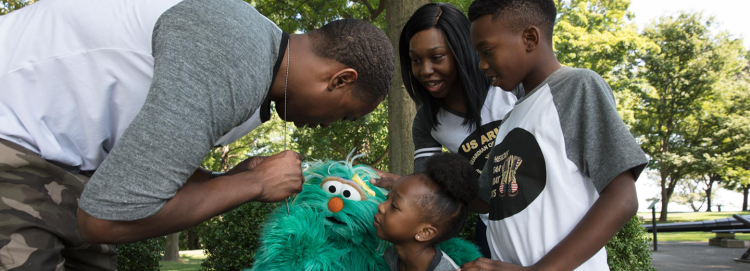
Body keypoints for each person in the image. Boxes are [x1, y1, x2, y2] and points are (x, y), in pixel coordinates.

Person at [0, 0, 394, 269]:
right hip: (15, 131)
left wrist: (229, 180)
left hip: (74, 160)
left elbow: (153, 170)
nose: (327, 127)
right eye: (344, 116)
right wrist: (254, 183)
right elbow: (101, 220)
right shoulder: (232, 60)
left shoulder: (262, 72)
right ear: (341, 80)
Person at [459, 0, 649, 270]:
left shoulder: (577, 87)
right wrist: (425, 182)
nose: (481, 64)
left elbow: (623, 198)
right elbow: (486, 200)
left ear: (530, 38)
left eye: (487, 51)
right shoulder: (513, 117)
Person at [370, 2, 522, 258]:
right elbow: (427, 193)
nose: (425, 70)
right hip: (493, 231)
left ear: (462, 50)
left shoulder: (508, 87)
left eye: (436, 57)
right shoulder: (427, 123)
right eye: (415, 61)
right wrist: (387, 184)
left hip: (542, 213)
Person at [374, 153, 478, 271]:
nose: (381, 207)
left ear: (425, 232)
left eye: (394, 206)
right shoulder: (388, 256)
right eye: (387, 198)